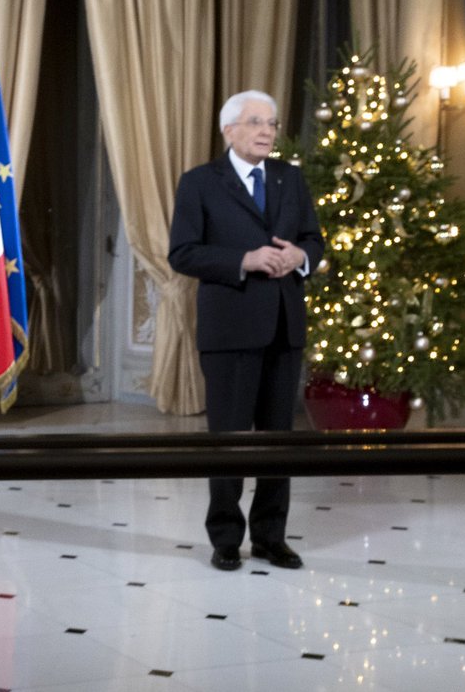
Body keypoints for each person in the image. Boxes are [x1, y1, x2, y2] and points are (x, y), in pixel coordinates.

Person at [168, 90, 324, 572]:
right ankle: (225, 538)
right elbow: (183, 253)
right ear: (229, 130)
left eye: (273, 123)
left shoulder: (289, 178)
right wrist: (244, 260)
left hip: (283, 327)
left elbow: (313, 241)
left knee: (280, 442)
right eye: (256, 122)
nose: (267, 131)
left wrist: (301, 258)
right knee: (229, 441)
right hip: (230, 331)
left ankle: (271, 537)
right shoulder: (199, 183)